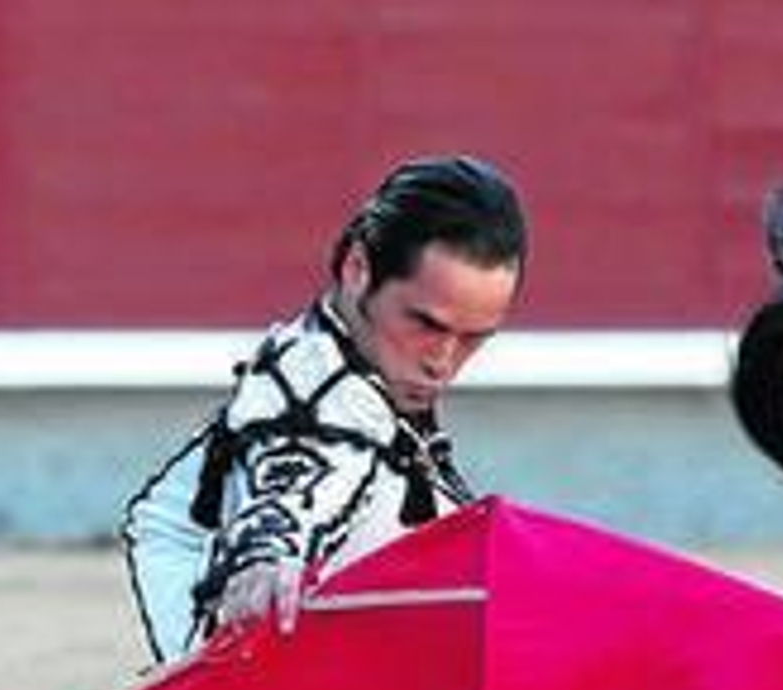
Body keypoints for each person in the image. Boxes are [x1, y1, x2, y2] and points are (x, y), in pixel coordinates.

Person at [122, 154, 527, 662]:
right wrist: (265, 556)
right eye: (426, 325)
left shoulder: (359, 362)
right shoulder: (318, 397)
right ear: (358, 269)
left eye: (473, 339)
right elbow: (300, 473)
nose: (443, 363)